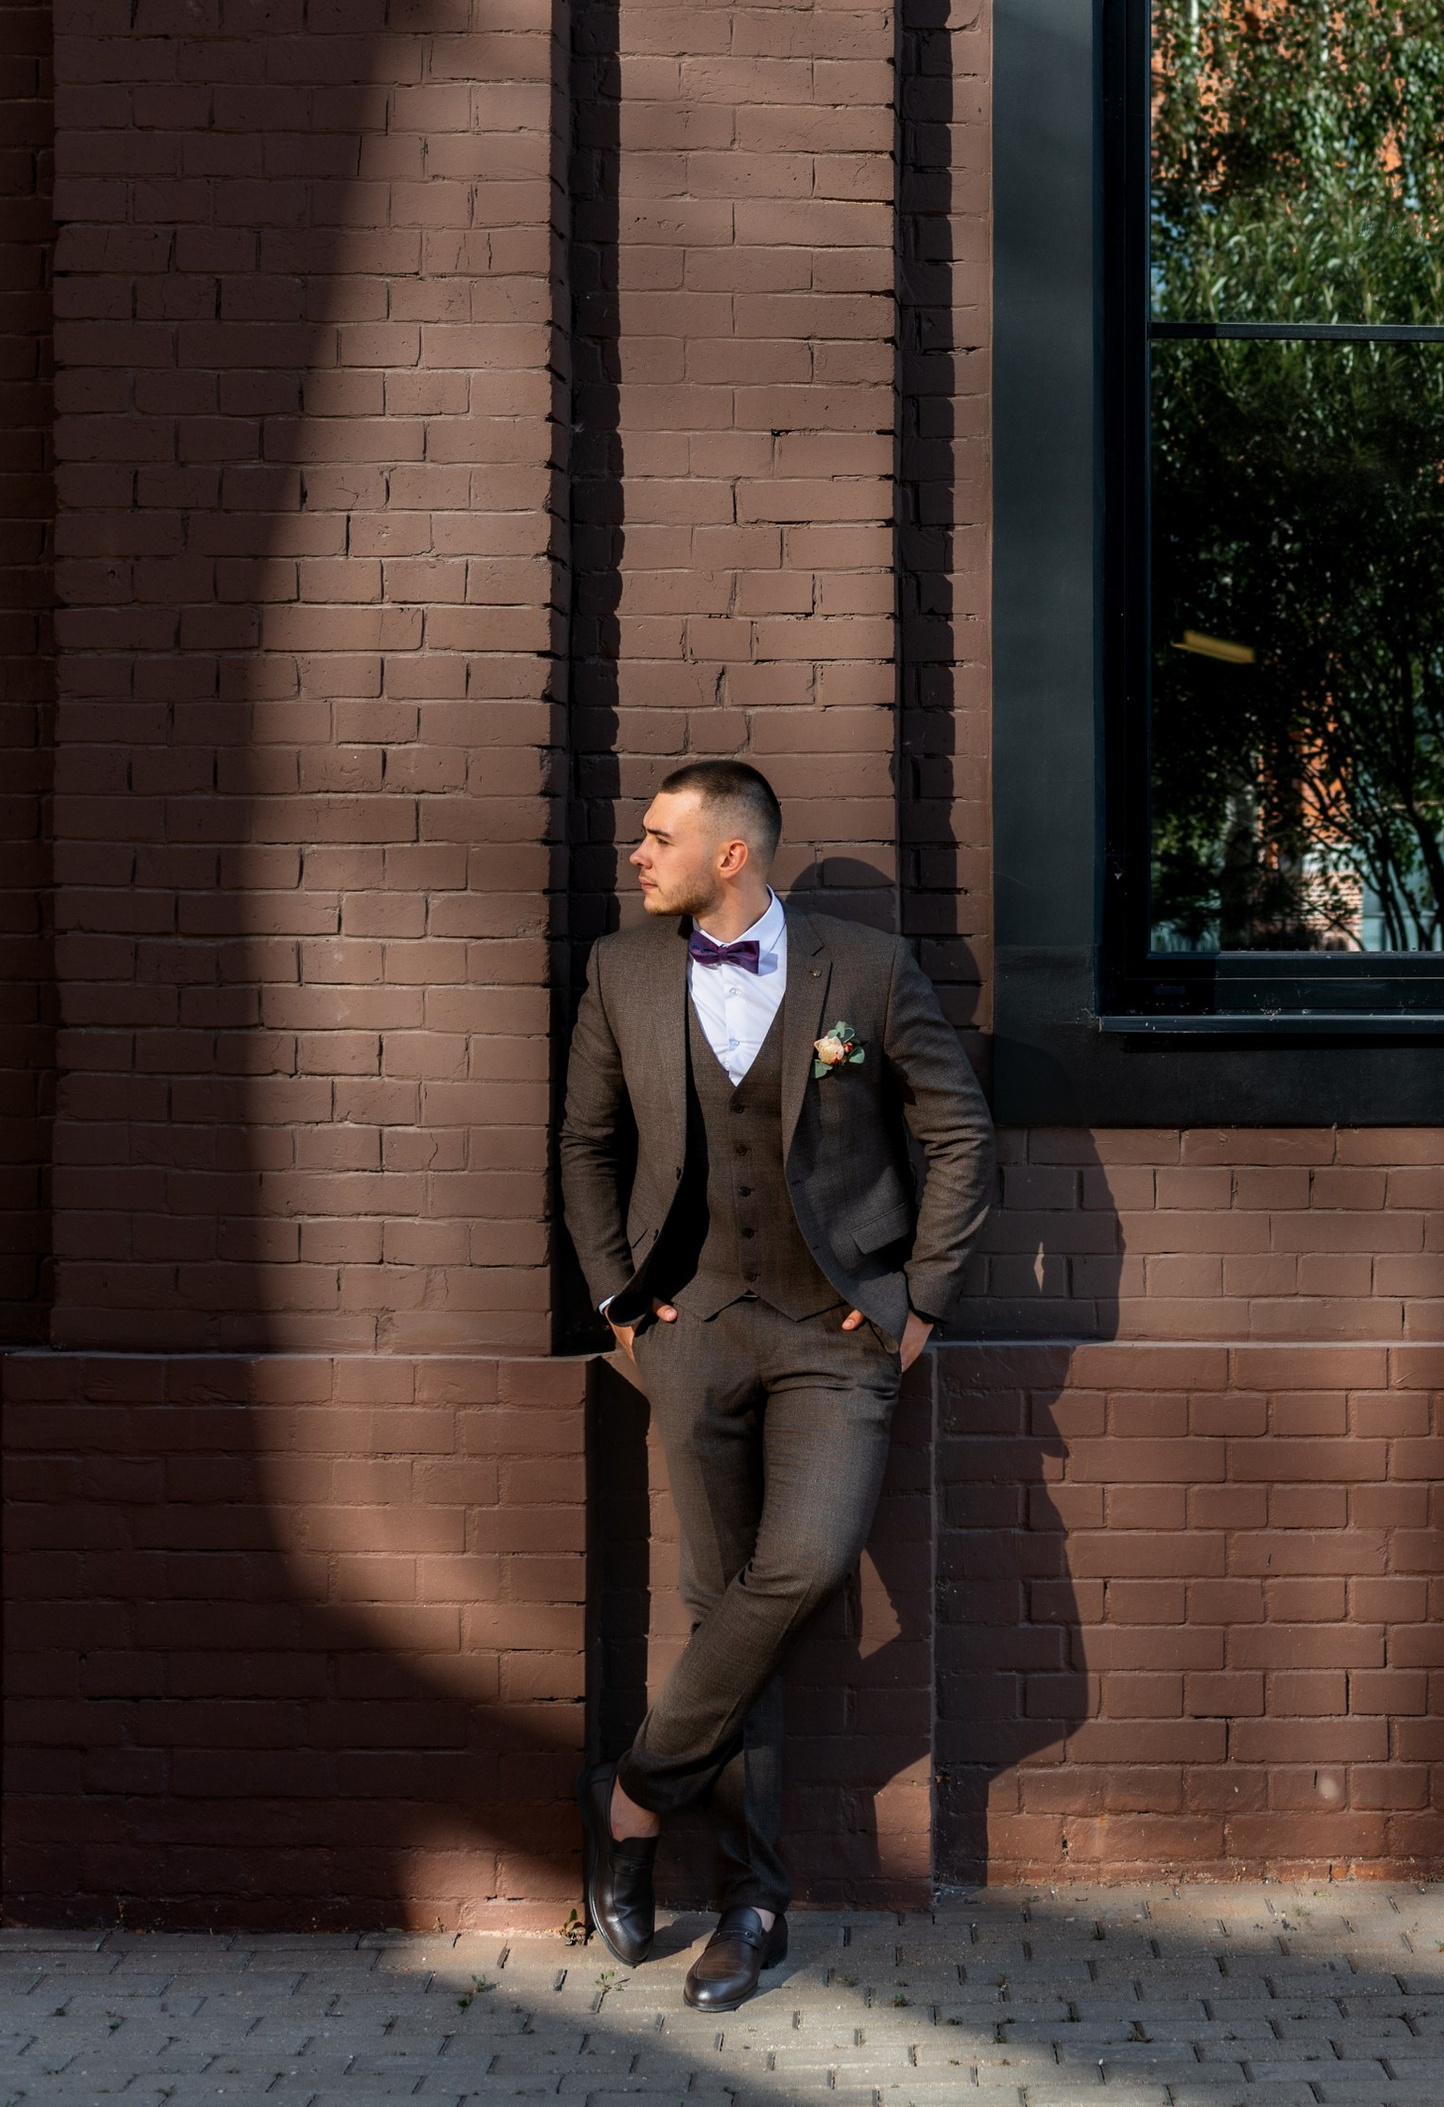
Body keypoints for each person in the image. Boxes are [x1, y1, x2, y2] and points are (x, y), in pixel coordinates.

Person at [559, 758, 995, 2005]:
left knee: (798, 1568)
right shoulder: (621, 969)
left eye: (657, 837)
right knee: (722, 1612)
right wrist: (617, 1299)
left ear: (730, 853)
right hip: (689, 1329)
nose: (637, 856)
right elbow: (586, 1141)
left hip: (836, 1331)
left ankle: (634, 1798)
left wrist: (920, 1295)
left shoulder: (861, 967)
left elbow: (960, 1129)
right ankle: (751, 1906)